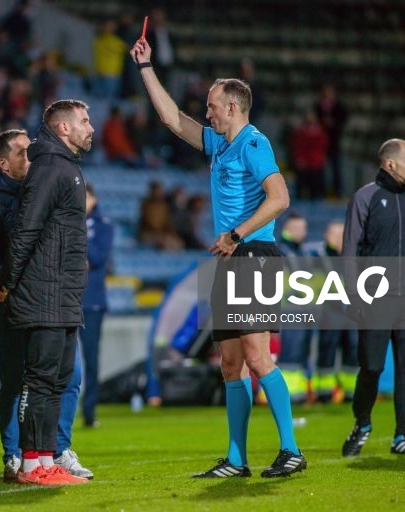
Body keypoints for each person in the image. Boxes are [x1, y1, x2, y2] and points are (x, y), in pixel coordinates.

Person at [131, 38, 306, 478]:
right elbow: (173, 120)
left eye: (211, 106)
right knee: (229, 362)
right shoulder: (220, 144)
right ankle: (236, 459)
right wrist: (146, 67)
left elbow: (280, 197)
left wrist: (235, 233)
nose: (205, 112)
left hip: (255, 254)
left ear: (232, 107)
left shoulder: (253, 142)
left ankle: (291, 450)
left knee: (256, 354)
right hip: (231, 257)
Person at [0, 129, 92, 481]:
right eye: (22, 153)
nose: (30, 157)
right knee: (16, 379)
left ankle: (56, 449)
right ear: (3, 164)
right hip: (12, 300)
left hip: (46, 297)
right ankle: (17, 455)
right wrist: (5, 281)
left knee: (66, 376)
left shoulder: (39, 189)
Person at [0, 100, 94, 486]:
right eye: (84, 121)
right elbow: (26, 229)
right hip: (45, 292)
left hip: (63, 293)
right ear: (64, 129)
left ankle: (45, 460)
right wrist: (8, 281)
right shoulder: (51, 168)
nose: (91, 127)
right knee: (39, 383)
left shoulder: (64, 167)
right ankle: (31, 465)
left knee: (56, 381)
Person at [341, 139, 405, 456]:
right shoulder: (365, 197)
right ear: (390, 164)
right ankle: (362, 423)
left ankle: (403, 436)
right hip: (374, 296)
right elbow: (350, 249)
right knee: (371, 367)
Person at [311, 221, 358, 403]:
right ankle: (324, 394)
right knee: (327, 352)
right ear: (326, 235)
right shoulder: (320, 256)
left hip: (351, 314)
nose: (338, 238)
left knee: (353, 351)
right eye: (334, 234)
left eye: (341, 234)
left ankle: (351, 393)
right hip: (329, 313)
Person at [80, 183, 113, 427]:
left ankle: (89, 412)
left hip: (92, 302)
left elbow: (98, 257)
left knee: (91, 360)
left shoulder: (103, 224)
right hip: (69, 300)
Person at [276, 212, 313, 403]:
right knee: (291, 352)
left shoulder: (301, 251)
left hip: (303, 308)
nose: (302, 231)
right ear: (287, 229)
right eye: (297, 228)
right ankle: (285, 395)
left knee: (301, 353)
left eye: (303, 228)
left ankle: (297, 394)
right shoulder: (281, 250)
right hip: (289, 309)